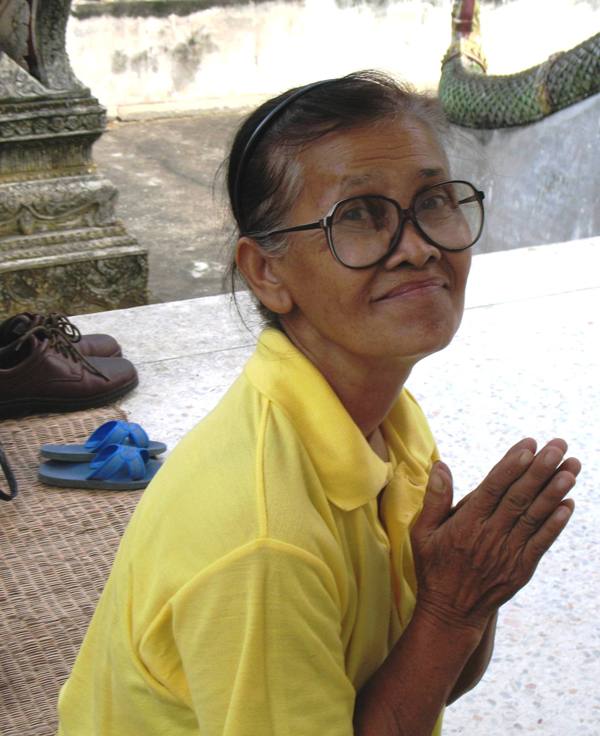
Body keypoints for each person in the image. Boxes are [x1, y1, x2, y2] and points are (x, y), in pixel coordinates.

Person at [57, 71, 580, 736]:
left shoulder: (386, 417)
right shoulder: (264, 539)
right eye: (359, 216)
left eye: (436, 201)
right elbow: (432, 651)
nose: (418, 247)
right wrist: (452, 608)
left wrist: (466, 597)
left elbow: (427, 678)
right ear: (267, 272)